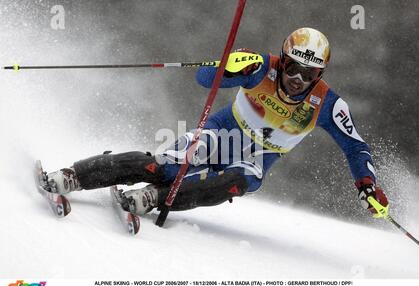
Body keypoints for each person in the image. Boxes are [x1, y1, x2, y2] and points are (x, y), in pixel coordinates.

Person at [43, 27, 388, 217]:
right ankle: (75, 175)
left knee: (237, 182)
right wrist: (230, 67)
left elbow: (355, 148)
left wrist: (367, 185)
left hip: (258, 157)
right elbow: (205, 80)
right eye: (293, 67)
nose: (297, 79)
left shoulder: (328, 104)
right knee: (165, 166)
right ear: (283, 60)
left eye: (309, 73)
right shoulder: (260, 67)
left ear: (320, 73)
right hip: (222, 132)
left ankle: (155, 199)